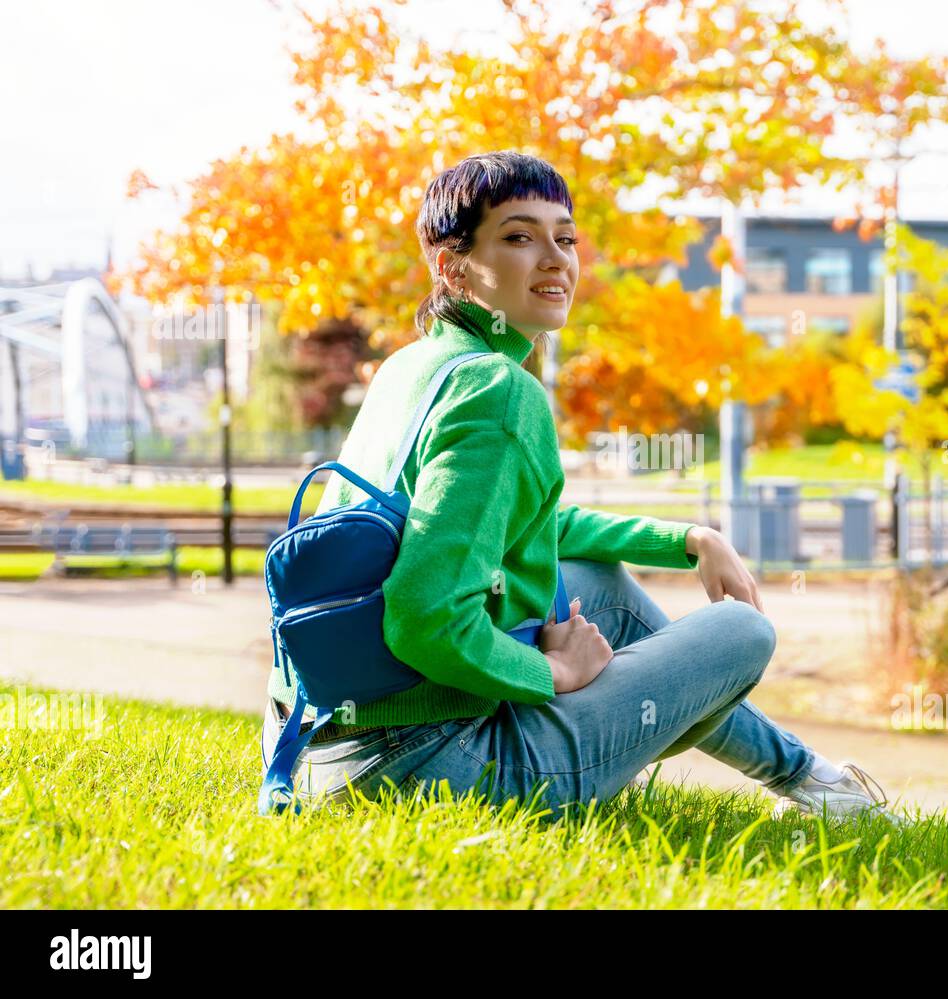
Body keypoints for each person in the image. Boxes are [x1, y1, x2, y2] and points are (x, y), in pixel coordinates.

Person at [260, 151, 899, 826]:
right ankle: (817, 784)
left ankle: (816, 783)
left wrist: (687, 538)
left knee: (596, 582)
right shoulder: (499, 389)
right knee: (741, 631)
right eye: (517, 236)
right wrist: (555, 676)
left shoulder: (413, 366)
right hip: (432, 768)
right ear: (452, 266)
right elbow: (424, 620)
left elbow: (519, 523)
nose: (554, 258)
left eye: (564, 237)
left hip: (315, 750)